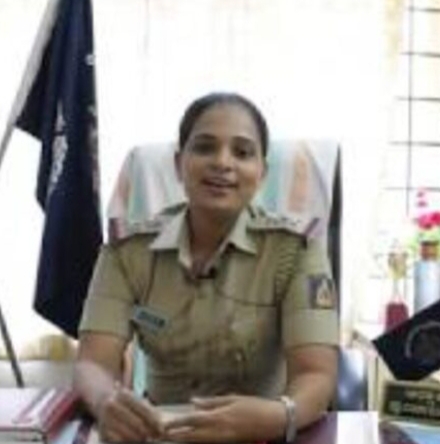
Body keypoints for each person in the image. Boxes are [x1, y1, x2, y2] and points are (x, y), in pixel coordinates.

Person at [74, 92, 339, 443]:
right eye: (204, 148)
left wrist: (276, 417)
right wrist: (106, 401)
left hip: (262, 433)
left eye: (242, 152)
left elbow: (316, 375)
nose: (222, 163)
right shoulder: (127, 251)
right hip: (160, 432)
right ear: (178, 164)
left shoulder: (296, 249)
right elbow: (92, 363)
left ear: (262, 173)